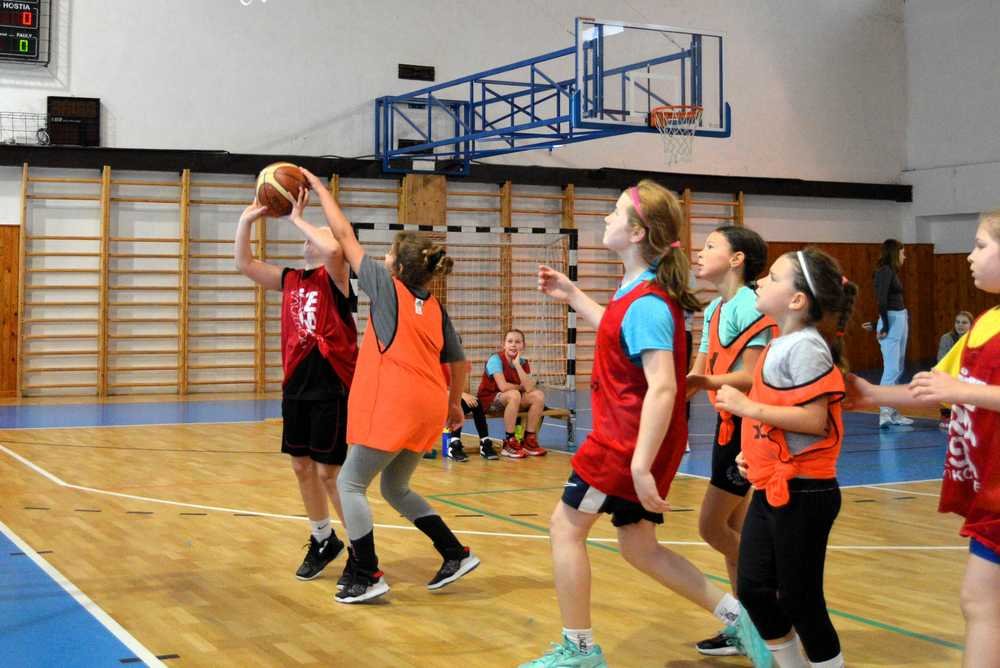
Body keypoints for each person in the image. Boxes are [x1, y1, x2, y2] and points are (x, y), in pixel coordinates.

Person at [521, 180, 771, 668]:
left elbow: (663, 388)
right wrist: (573, 294)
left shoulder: (650, 303)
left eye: (615, 212)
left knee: (564, 527)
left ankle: (580, 649)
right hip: (635, 439)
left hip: (624, 442)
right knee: (640, 547)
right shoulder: (635, 293)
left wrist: (639, 464)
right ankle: (744, 618)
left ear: (637, 233)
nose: (605, 218)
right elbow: (617, 329)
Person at [299, 168, 480, 604]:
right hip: (429, 407)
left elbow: (343, 234)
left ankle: (366, 572)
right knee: (394, 488)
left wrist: (320, 189)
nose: (381, 257)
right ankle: (454, 552)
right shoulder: (434, 307)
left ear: (397, 267)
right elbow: (459, 361)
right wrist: (454, 405)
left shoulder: (386, 287)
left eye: (388, 254)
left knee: (350, 484)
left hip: (395, 405)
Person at [846, 211, 1000, 666]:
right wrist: (872, 395)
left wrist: (963, 392)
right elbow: (935, 389)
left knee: (981, 601)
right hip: (991, 493)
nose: (969, 256)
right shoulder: (985, 324)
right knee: (980, 601)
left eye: (980, 245)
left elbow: (957, 390)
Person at [716, 247, 857, 668]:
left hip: (806, 492)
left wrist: (747, 407)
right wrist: (754, 453)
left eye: (773, 277)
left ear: (797, 300)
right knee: (755, 589)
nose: (761, 281)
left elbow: (814, 420)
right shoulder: (780, 343)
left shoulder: (807, 347)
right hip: (773, 487)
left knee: (800, 598)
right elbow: (779, 416)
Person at [235, 190, 356, 581]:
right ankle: (323, 539)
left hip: (331, 386)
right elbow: (245, 263)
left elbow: (333, 250)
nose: (309, 241)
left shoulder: (337, 278)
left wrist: (294, 216)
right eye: (306, 237)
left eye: (316, 236)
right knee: (302, 466)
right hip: (296, 385)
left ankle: (361, 551)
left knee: (329, 473)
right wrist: (246, 222)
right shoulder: (290, 279)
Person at [686, 225, 775, 657]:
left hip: (747, 429)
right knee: (733, 530)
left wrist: (704, 381)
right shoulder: (714, 309)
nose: (699, 252)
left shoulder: (748, 305)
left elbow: (752, 376)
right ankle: (751, 627)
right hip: (726, 424)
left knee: (711, 527)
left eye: (710, 246)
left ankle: (773, 604)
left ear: (737, 259)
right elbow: (700, 369)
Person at [476, 329, 547, 458]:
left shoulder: (523, 363)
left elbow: (529, 388)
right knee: (514, 394)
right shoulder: (495, 359)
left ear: (523, 346)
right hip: (489, 400)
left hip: (513, 399)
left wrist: (517, 365)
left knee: (538, 395)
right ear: (504, 345)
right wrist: (520, 387)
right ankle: (509, 442)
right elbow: (503, 387)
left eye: (518, 342)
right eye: (510, 341)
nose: (513, 345)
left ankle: (529, 440)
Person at [872, 238, 914, 428]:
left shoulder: (892, 272)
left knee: (898, 368)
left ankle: (893, 412)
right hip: (892, 320)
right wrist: (885, 326)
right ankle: (885, 413)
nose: (904, 256)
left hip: (900, 317)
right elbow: (881, 301)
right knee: (891, 369)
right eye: (903, 252)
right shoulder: (885, 272)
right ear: (895, 253)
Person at [443, 360, 500, 461]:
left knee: (476, 402)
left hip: (453, 398)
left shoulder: (459, 363)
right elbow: (437, 388)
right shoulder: (436, 363)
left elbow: (461, 387)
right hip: (438, 401)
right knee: (457, 405)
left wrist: (462, 394)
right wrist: (462, 395)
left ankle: (484, 443)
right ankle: (453, 445)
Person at [937, 311, 973, 428]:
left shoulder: (974, 339)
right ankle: (946, 414)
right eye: (957, 322)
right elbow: (941, 360)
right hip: (950, 373)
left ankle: (967, 416)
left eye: (964, 323)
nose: (960, 325)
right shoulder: (946, 338)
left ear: (971, 325)